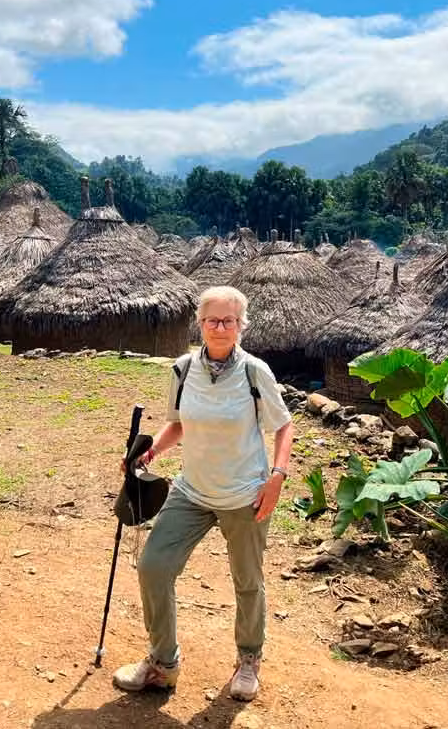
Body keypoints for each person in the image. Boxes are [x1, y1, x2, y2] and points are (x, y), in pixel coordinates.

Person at [113, 285, 294, 702]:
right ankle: (163, 663)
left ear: (241, 326)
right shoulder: (181, 370)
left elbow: (284, 425)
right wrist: (150, 452)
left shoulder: (255, 372)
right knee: (153, 567)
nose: (220, 327)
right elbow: (178, 423)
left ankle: (248, 661)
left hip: (246, 494)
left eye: (229, 320)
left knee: (248, 581)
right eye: (212, 320)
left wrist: (277, 477)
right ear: (200, 323)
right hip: (192, 490)